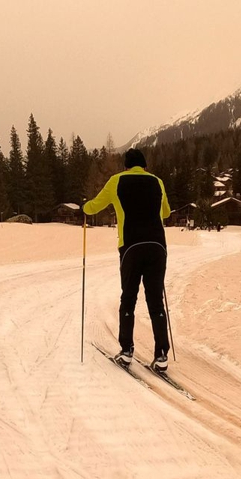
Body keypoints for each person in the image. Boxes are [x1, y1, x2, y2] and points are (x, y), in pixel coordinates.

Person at [83, 148, 172, 372]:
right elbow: (167, 213)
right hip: (157, 246)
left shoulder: (116, 181)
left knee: (129, 298)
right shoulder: (157, 182)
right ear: (144, 166)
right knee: (155, 300)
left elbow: (95, 206)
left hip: (131, 246)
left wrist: (84, 207)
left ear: (126, 166)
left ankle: (126, 351)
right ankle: (161, 354)